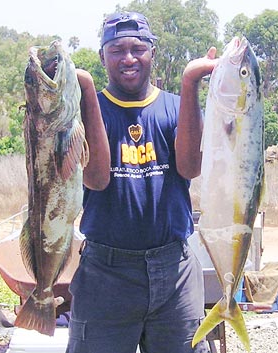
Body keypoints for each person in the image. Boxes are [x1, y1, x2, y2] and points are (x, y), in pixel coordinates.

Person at [66, 11, 218, 353]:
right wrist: (86, 88)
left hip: (175, 270)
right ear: (103, 55)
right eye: (117, 49)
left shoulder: (177, 107)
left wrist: (191, 80)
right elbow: (97, 179)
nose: (129, 58)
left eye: (138, 48)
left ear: (152, 52)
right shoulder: (89, 111)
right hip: (105, 273)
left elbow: (190, 167)